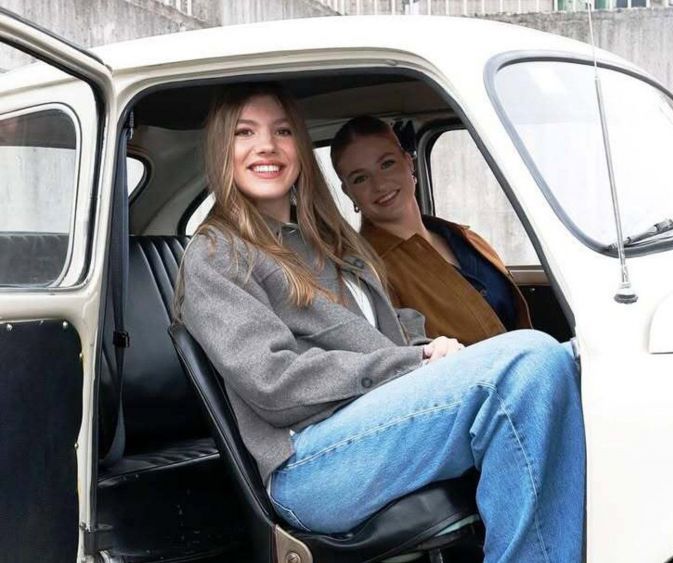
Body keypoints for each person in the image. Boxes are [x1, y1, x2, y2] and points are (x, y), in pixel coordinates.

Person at [174, 83, 585, 563]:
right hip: (308, 463)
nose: (267, 145)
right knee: (527, 362)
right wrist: (412, 363)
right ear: (221, 149)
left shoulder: (329, 241)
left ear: (300, 147)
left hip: (374, 426)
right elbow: (274, 383)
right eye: (245, 133)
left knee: (579, 361)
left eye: (282, 131)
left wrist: (434, 348)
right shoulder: (217, 253)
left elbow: (391, 329)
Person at [329, 116, 531, 345]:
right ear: (348, 192)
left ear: (409, 162)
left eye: (387, 164)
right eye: (360, 178)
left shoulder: (463, 237)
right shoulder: (368, 271)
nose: (380, 184)